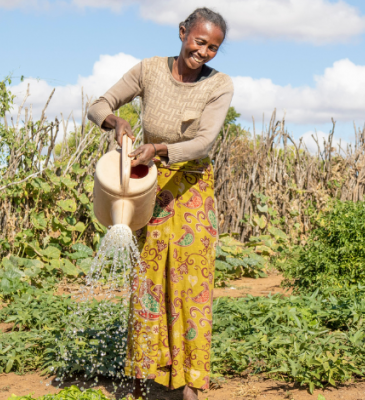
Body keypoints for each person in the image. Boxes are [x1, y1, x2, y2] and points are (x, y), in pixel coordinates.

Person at [86, 7, 233, 400]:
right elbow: (98, 105)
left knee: (191, 284)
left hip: (192, 188)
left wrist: (160, 148)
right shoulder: (149, 69)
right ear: (183, 32)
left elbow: (203, 141)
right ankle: (143, 377)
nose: (204, 52)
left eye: (213, 48)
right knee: (147, 280)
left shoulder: (219, 85)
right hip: (148, 186)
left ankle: (190, 384)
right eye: (199, 41)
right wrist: (116, 123)